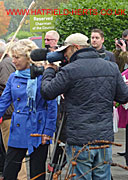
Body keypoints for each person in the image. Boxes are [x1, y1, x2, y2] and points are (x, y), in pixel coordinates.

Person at [41, 33, 128, 179]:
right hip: (103, 137)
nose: (64, 55)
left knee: (82, 176)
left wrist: (49, 70)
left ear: (74, 48)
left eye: (65, 51)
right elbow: (124, 96)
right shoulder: (111, 67)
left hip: (80, 138)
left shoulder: (70, 70)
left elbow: (47, 92)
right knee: (103, 176)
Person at [0, 39, 57, 180]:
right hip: (19, 127)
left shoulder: (44, 77)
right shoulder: (13, 77)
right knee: (9, 172)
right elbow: (2, 104)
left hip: (39, 128)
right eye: (12, 57)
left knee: (37, 173)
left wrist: (48, 131)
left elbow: (51, 107)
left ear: (28, 58)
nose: (13, 61)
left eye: (17, 57)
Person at [0, 40, 16, 174]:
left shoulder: (4, 64)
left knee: (10, 147)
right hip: (7, 111)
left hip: (8, 112)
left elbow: (5, 87)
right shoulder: (3, 63)